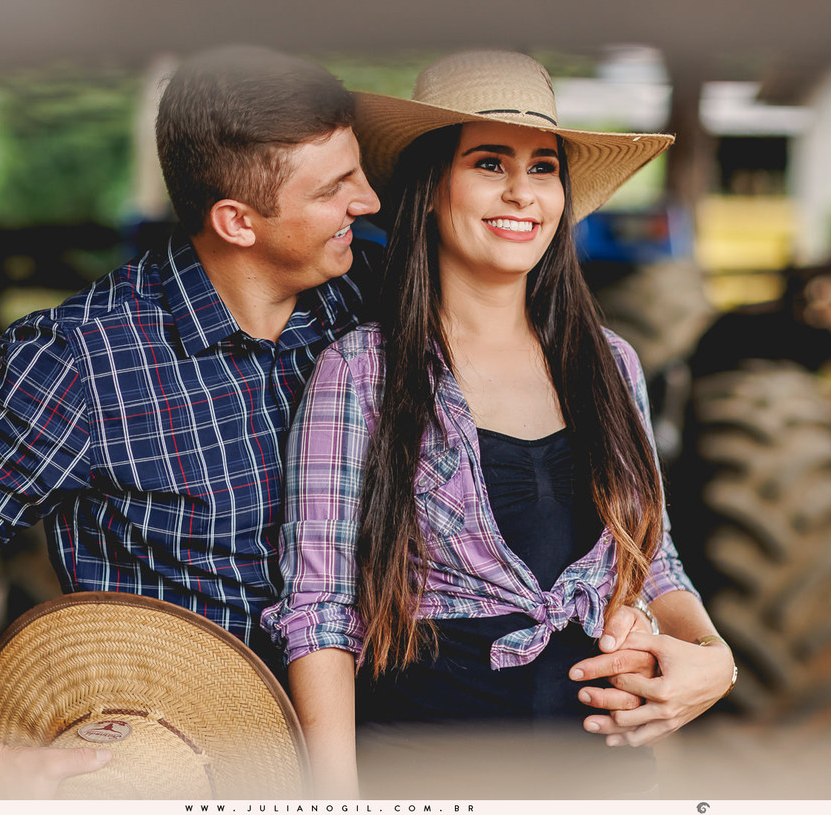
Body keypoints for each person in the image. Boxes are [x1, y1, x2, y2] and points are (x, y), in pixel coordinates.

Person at [0, 45, 382, 798]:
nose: (369, 201)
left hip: (369, 742)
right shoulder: (82, 357)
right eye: (337, 187)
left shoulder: (359, 299)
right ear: (237, 221)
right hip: (183, 760)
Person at [262, 50, 738, 797]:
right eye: (490, 163)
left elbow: (655, 561)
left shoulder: (611, 365)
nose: (523, 192)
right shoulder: (362, 373)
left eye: (543, 167)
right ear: (428, 189)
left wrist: (713, 654)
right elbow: (321, 611)